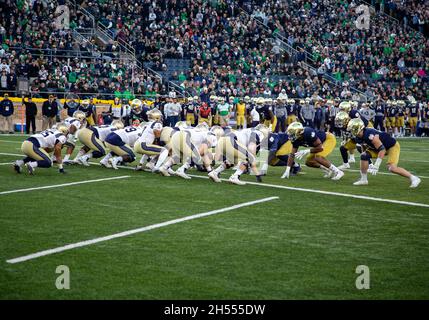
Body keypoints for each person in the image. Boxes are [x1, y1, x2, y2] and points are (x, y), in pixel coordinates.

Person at [347, 118, 421, 188]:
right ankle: (364, 179)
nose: (351, 131)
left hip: (391, 146)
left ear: (358, 128)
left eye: (352, 129)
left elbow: (382, 149)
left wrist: (376, 165)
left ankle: (414, 178)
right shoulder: (358, 136)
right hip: (377, 147)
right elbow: (364, 147)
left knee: (392, 168)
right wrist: (370, 163)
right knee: (364, 156)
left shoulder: (370, 135)